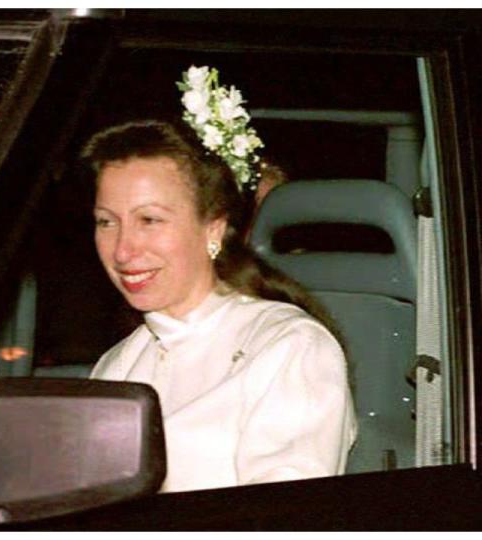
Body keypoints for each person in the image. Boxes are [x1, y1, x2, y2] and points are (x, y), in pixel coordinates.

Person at [82, 119, 357, 493]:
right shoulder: (117, 364)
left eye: (150, 220)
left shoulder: (289, 348)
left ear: (212, 229)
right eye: (106, 222)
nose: (123, 250)